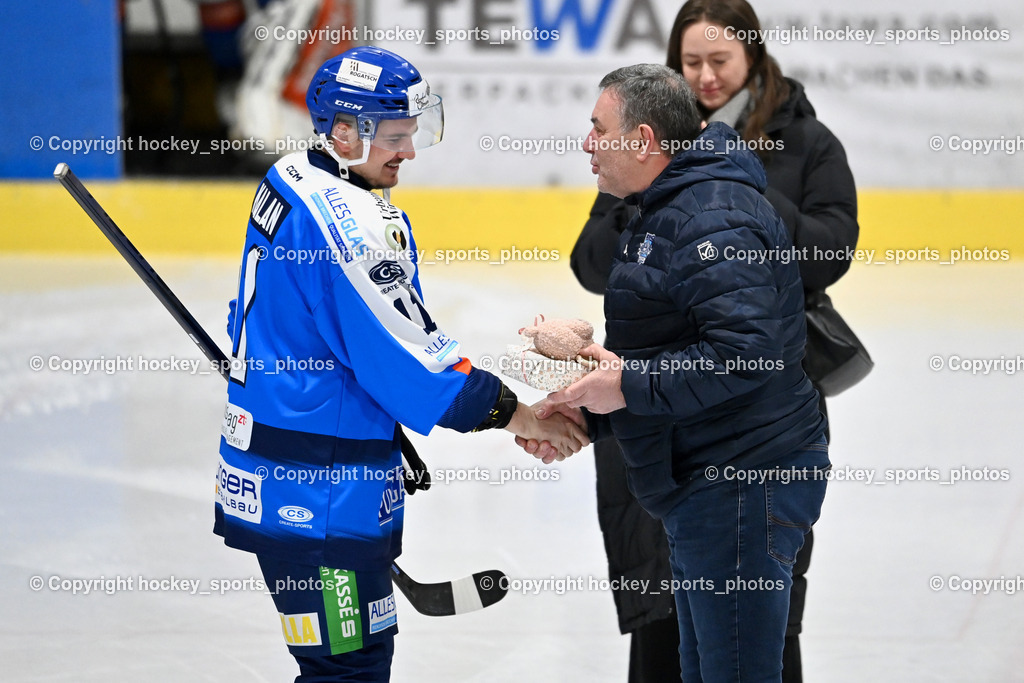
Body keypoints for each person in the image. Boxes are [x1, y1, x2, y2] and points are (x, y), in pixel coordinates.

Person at [216, 45, 587, 682]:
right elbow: (410, 359)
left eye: (412, 134)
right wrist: (521, 415)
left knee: (344, 661)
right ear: (341, 130)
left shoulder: (294, 175)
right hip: (320, 492)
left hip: (297, 471)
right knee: (347, 671)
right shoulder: (348, 226)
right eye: (394, 138)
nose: (409, 153)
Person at [570, 1, 859, 680]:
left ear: (752, 58)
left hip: (737, 445)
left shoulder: (763, 169)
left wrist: (718, 171)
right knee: (681, 634)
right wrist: (593, 406)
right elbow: (594, 263)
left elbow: (807, 271)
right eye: (690, 61)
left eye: (718, 61)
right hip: (686, 441)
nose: (704, 75)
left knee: (745, 639)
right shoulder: (657, 186)